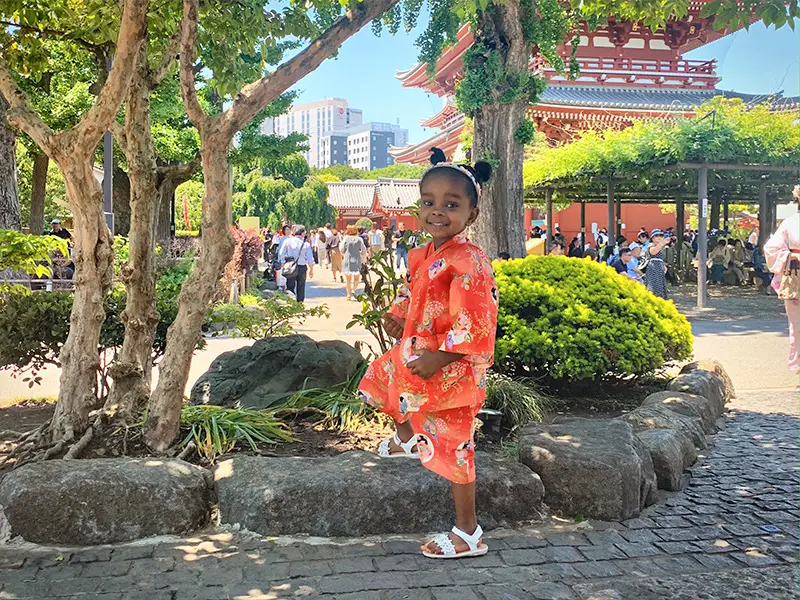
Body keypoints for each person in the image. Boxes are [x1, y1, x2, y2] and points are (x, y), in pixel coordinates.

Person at [358, 147, 497, 560]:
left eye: (451, 205)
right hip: (420, 353)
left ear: (470, 215)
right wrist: (400, 315)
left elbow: (477, 320)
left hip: (451, 370)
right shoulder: (429, 255)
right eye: (429, 202)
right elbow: (413, 291)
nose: (438, 211)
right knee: (382, 376)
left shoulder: (470, 262)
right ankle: (407, 436)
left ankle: (468, 533)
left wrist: (444, 356)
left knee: (455, 447)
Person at [764, 184, 800, 376]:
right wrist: (791, 256)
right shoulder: (790, 222)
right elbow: (771, 248)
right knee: (796, 324)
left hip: (796, 274)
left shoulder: (791, 223)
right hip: (796, 276)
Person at [278, 225, 315, 303]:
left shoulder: (287, 241)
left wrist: (283, 262)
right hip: (302, 267)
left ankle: (291, 302)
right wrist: (311, 270)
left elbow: (281, 253)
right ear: (302, 233)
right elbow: (310, 259)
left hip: (290, 266)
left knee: (290, 285)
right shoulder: (306, 244)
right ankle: (300, 303)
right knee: (301, 286)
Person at [341, 225, 367, 301]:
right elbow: (364, 250)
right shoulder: (359, 239)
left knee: (348, 279)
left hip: (347, 258)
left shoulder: (345, 239)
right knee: (356, 277)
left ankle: (348, 295)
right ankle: (354, 289)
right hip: (356, 258)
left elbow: (342, 249)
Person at [644, 229, 670, 299]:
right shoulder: (651, 246)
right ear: (652, 238)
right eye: (656, 236)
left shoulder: (660, 246)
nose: (659, 237)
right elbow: (653, 252)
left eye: (661, 235)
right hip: (653, 268)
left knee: (660, 285)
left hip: (659, 267)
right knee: (654, 286)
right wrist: (662, 243)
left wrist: (663, 265)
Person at [272, 225, 291, 292]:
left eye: (289, 229)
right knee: (283, 274)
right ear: (283, 231)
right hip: (283, 260)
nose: (288, 231)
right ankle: (282, 288)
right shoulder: (283, 239)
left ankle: (285, 288)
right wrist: (282, 260)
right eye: (286, 230)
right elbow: (281, 251)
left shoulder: (290, 238)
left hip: (288, 260)